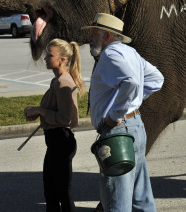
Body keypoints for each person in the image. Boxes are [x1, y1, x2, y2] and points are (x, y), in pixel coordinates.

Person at [83, 13, 164, 212]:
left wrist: (117, 114)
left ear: (107, 35)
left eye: (94, 32)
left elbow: (132, 82)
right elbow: (156, 79)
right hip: (134, 127)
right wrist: (132, 104)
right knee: (141, 197)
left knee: (116, 202)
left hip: (118, 131)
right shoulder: (129, 52)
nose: (90, 37)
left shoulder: (110, 54)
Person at [24, 39, 84, 212]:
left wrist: (40, 111)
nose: (45, 58)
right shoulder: (57, 80)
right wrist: (39, 113)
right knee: (51, 194)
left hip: (61, 141)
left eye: (50, 55)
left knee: (63, 195)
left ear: (62, 60)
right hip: (55, 142)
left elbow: (66, 119)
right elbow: (54, 111)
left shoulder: (63, 83)